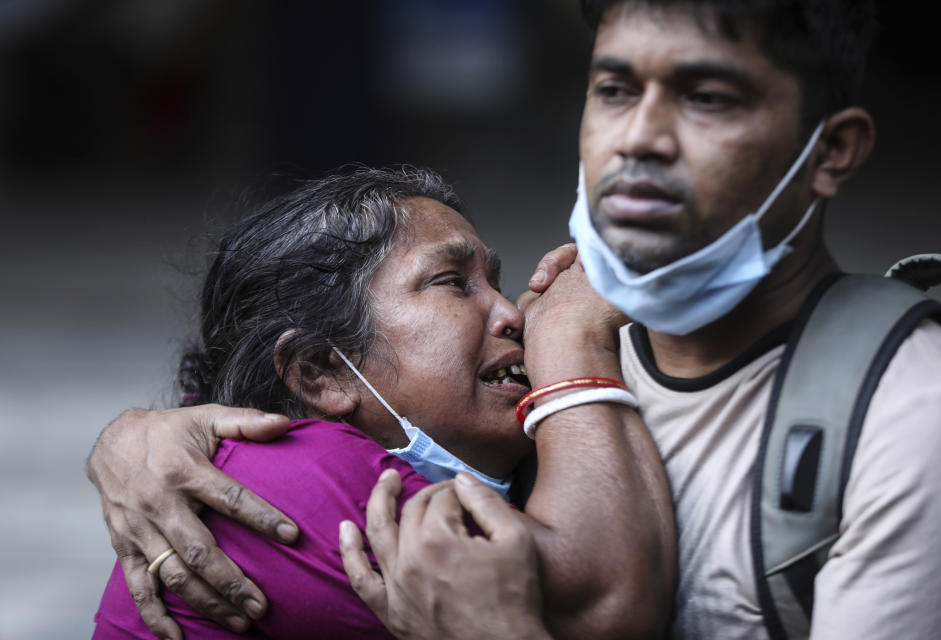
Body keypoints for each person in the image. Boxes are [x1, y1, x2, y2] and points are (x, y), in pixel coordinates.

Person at [87, 0, 941, 638]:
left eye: (709, 98)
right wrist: (134, 439)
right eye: (615, 89)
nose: (640, 139)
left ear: (832, 151)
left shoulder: (908, 413)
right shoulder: (539, 387)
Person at [89, 167, 675, 639]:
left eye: (496, 281)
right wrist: (574, 335)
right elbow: (604, 607)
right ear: (321, 372)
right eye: (452, 282)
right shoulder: (289, 479)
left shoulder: (214, 453)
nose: (513, 314)